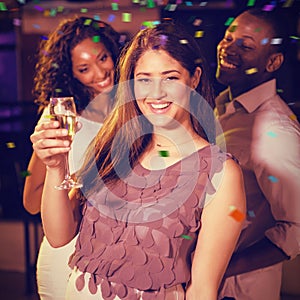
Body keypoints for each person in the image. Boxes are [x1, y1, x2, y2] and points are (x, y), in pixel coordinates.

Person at [32, 21, 246, 299]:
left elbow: (203, 288)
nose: (155, 93)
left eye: (170, 78)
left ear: (194, 78)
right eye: (144, 79)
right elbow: (60, 236)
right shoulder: (115, 145)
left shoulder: (220, 173)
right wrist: (55, 166)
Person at [23, 16, 122, 299]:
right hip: (66, 254)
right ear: (71, 74)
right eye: (84, 68)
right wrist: (79, 184)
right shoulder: (61, 117)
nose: (100, 72)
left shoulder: (135, 107)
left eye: (103, 58)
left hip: (118, 258)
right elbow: (31, 202)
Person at [214, 8, 300, 300]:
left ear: (273, 61)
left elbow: (295, 230)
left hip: (238, 292)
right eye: (228, 37)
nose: (229, 48)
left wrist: (221, 268)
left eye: (246, 46)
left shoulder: (275, 130)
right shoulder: (223, 104)